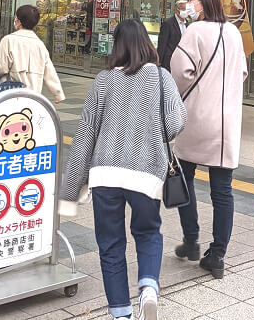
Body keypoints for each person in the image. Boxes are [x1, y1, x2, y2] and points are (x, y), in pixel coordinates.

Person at [60, 20, 186, 320]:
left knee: (111, 245)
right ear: (146, 43)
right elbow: (175, 124)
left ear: (116, 46)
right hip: (145, 173)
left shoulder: (103, 80)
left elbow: (85, 136)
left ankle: (121, 314)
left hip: (105, 173)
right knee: (148, 233)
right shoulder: (160, 77)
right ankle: (148, 289)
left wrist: (69, 191)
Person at [169, 0, 247, 279]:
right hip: (227, 123)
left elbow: (180, 72)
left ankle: (191, 240)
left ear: (200, 1)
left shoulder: (195, 31)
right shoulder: (233, 32)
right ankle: (217, 255)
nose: (189, 4)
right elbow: (241, 73)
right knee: (222, 191)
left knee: (184, 179)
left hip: (197, 118)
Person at [0, 5, 65, 102]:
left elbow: (2, 67)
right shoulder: (40, 45)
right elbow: (49, 71)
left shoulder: (8, 40)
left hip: (9, 94)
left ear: (18, 22)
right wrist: (58, 94)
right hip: (33, 97)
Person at [157, 0, 188, 69]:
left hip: (182, 61)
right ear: (177, 10)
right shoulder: (168, 24)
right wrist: (159, 60)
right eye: (184, 9)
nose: (186, 12)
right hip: (169, 61)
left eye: (187, 9)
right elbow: (162, 43)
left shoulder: (187, 24)